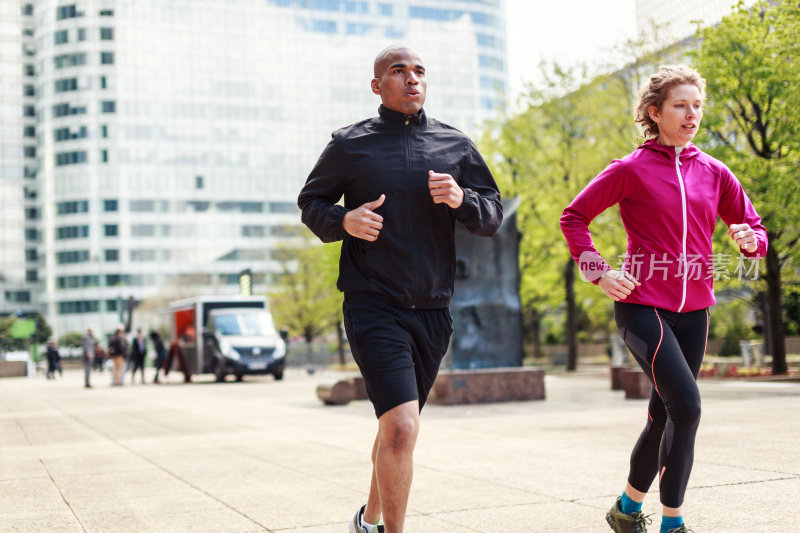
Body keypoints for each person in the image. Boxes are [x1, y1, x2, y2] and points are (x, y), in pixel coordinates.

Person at [298, 45, 502, 533]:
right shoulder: (350, 144)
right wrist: (343, 220)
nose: (412, 79)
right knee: (403, 425)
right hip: (373, 303)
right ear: (377, 86)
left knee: (396, 428)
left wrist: (462, 198)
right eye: (398, 71)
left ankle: (367, 521)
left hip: (433, 309)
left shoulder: (456, 145)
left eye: (419, 72)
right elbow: (311, 202)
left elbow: (492, 214)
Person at [560, 65, 767, 533]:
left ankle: (626, 509)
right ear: (655, 112)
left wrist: (750, 240)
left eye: (697, 105)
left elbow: (755, 228)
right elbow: (574, 218)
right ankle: (673, 525)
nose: (692, 114)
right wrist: (599, 272)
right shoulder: (630, 169)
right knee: (687, 408)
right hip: (642, 304)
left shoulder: (715, 172)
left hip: (695, 309)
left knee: (663, 412)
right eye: (680, 105)